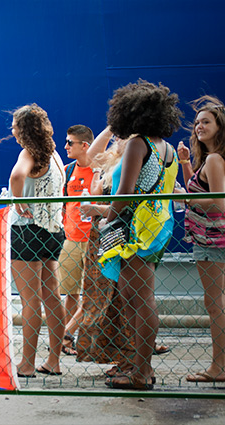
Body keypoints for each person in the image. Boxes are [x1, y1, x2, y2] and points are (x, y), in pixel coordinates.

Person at [99, 80, 181, 390]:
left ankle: (141, 371)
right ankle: (138, 364)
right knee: (138, 297)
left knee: (138, 298)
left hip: (135, 227)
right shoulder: (168, 148)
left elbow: (125, 193)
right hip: (158, 224)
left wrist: (107, 220)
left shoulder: (137, 143)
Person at [3, 104, 66, 377]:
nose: (12, 130)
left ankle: (27, 363)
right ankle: (54, 360)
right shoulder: (54, 155)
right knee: (51, 294)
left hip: (26, 231)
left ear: (24, 129)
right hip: (52, 230)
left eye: (15, 125)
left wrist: (19, 202)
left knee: (30, 300)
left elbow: (17, 176)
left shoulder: (28, 153)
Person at [178, 95, 225, 383]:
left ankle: (218, 367)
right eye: (197, 122)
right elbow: (196, 191)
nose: (199, 126)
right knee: (216, 302)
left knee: (215, 303)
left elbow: (219, 201)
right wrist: (185, 163)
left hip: (213, 240)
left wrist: (188, 198)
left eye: (206, 121)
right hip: (207, 240)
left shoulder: (216, 159)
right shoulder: (209, 159)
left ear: (220, 126)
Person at [57, 125, 95, 356]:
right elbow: (62, 203)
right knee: (70, 293)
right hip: (70, 239)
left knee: (91, 294)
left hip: (94, 240)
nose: (66, 146)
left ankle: (76, 337)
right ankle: (69, 341)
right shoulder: (67, 170)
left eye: (70, 142)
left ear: (84, 145)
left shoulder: (101, 169)